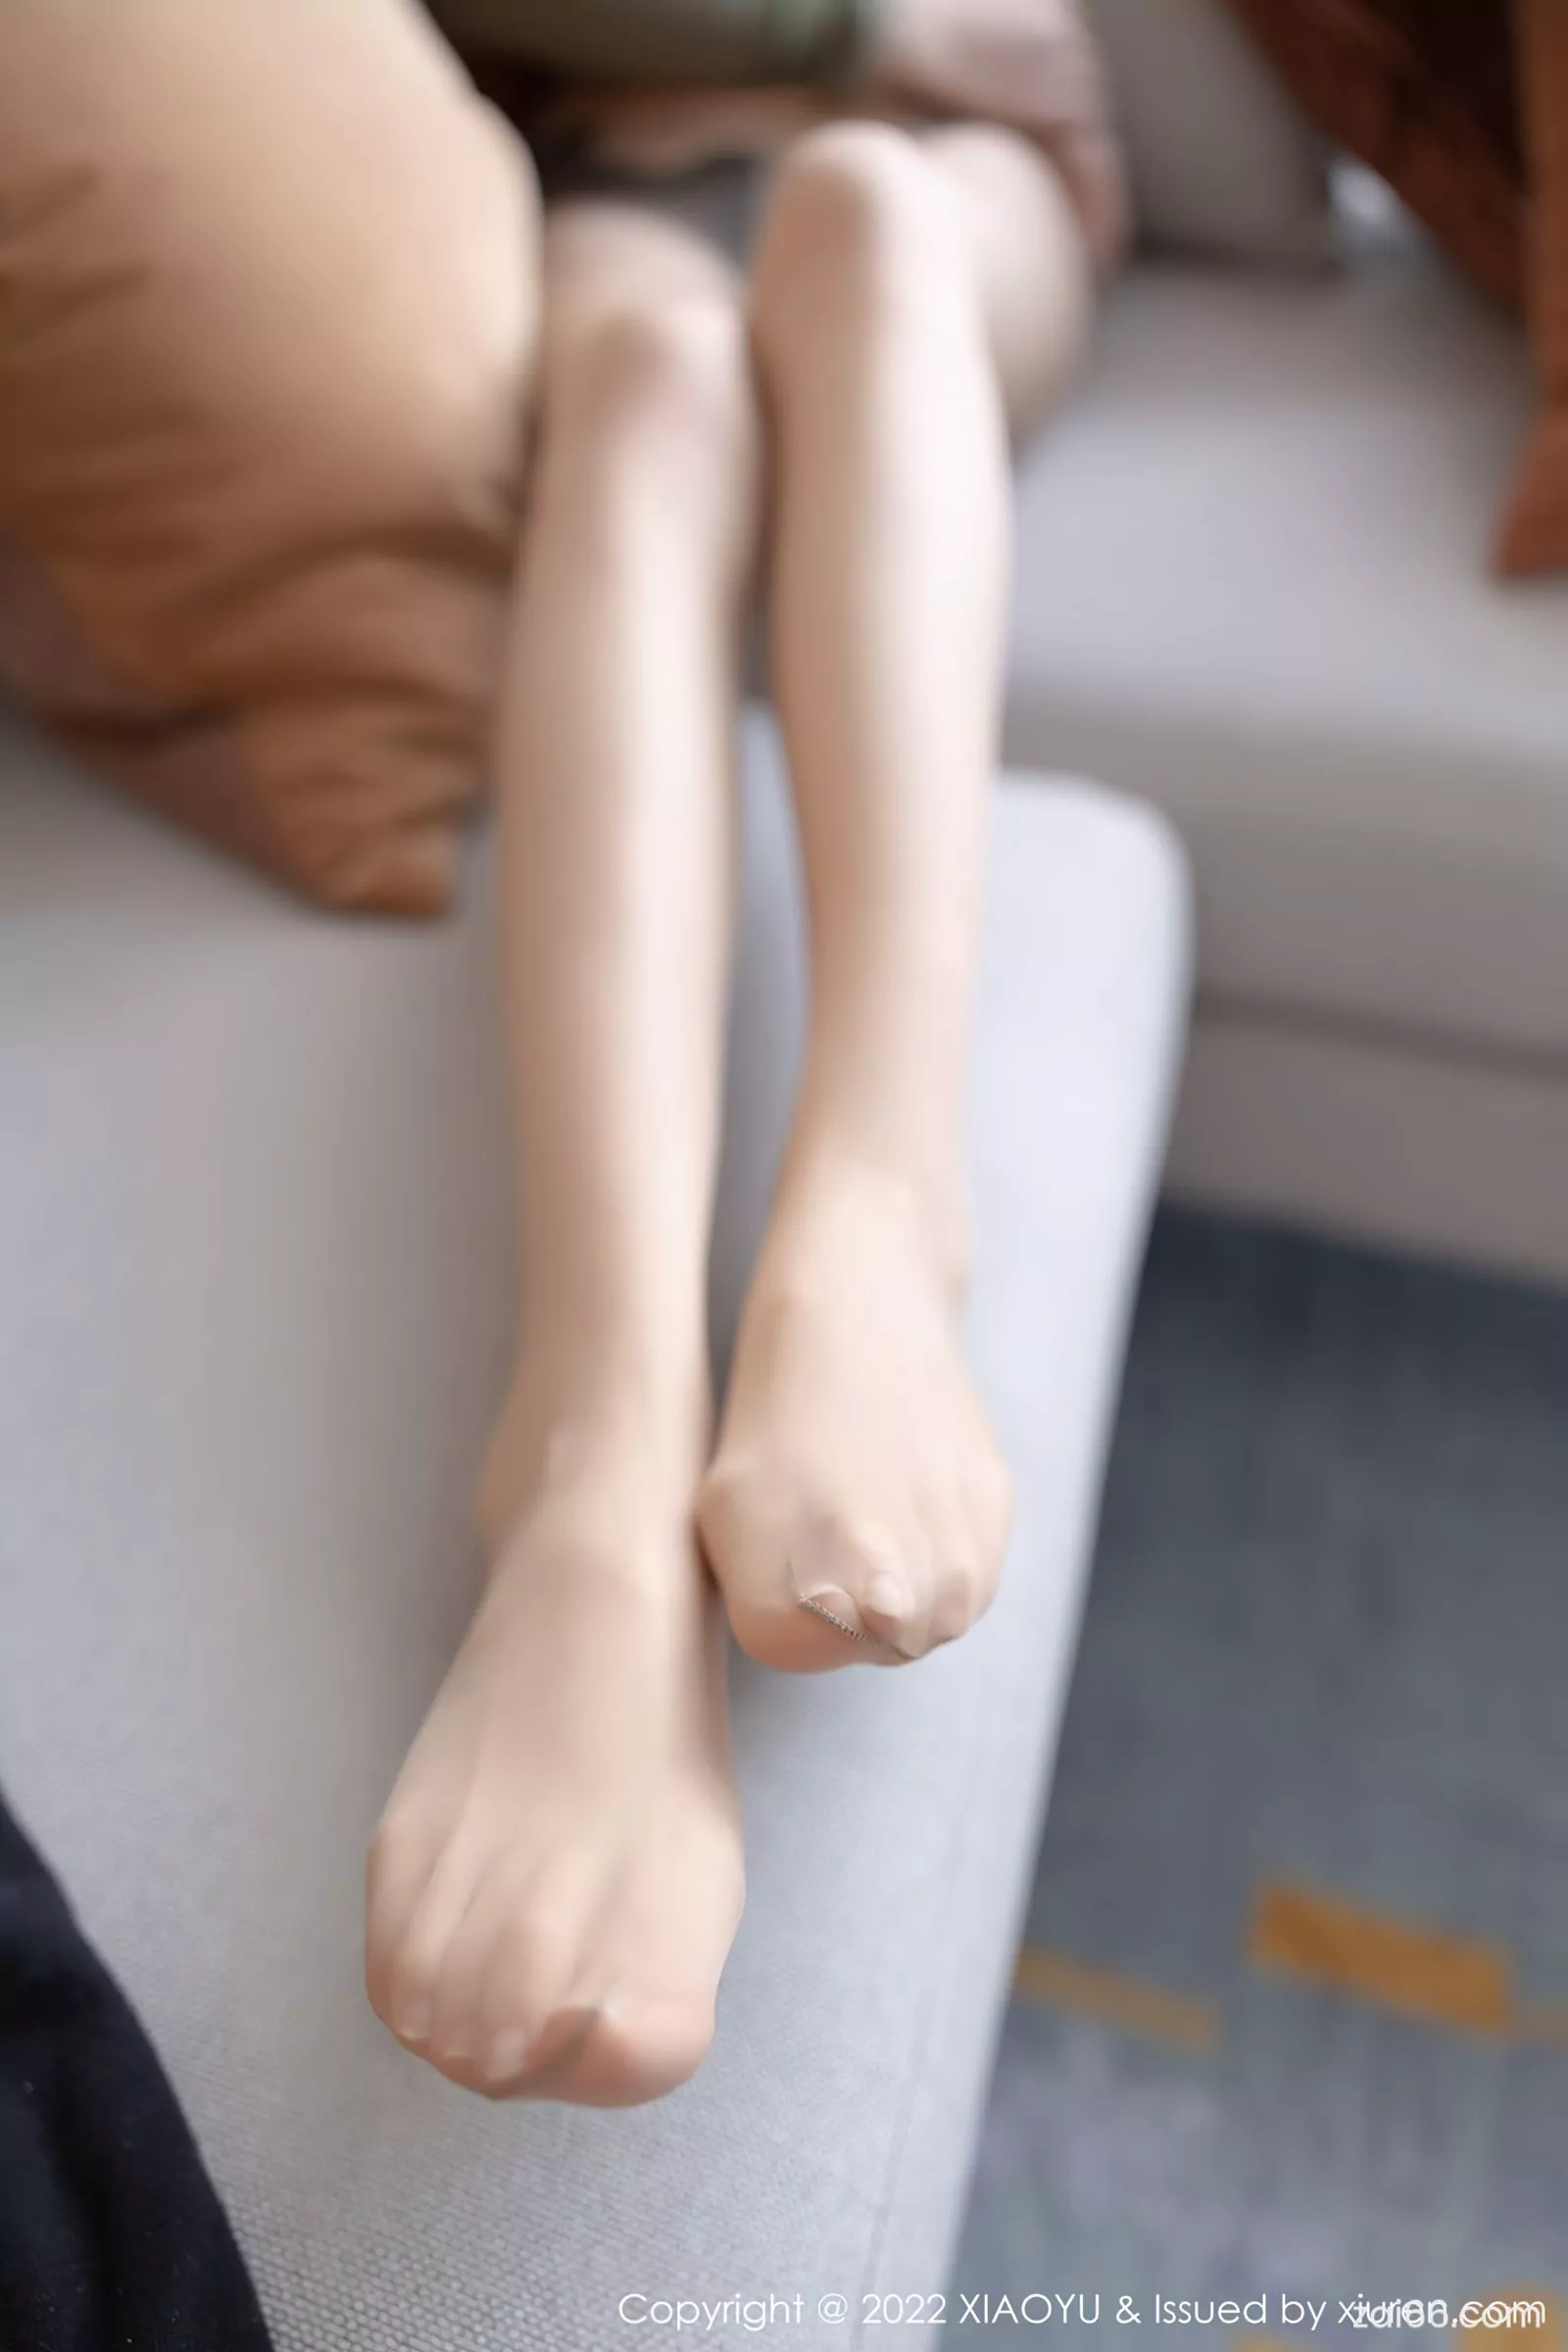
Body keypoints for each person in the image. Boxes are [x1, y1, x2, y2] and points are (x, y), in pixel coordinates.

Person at [364, 0, 1125, 2109]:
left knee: (859, 214)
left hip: (937, 157)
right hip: (621, 162)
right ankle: (590, 1450)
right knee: (650, 380)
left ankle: (876, 1212)